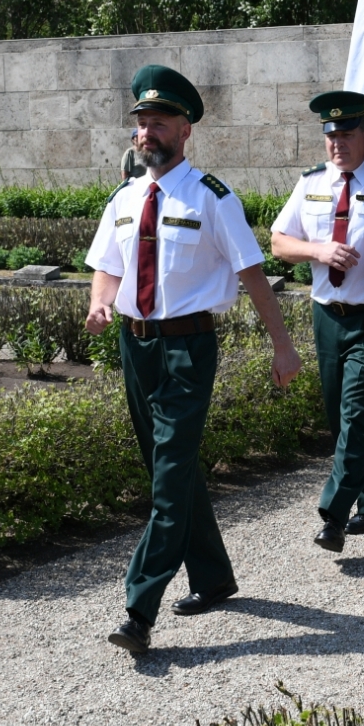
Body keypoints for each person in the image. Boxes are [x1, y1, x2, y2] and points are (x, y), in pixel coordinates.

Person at [85, 64, 302, 655]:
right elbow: (107, 266)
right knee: (168, 469)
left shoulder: (212, 197)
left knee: (169, 474)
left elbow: (253, 275)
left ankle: (138, 610)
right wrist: (102, 304)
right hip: (137, 344)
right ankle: (213, 577)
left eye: (158, 122)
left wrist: (283, 345)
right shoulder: (124, 199)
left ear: (185, 131)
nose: (145, 133)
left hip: (187, 346)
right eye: (140, 123)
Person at [270, 91, 364, 553]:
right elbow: (278, 242)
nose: (337, 143)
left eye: (346, 133)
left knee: (357, 413)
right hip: (325, 315)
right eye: (330, 135)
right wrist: (318, 250)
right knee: (341, 418)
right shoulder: (310, 183)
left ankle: (333, 517)